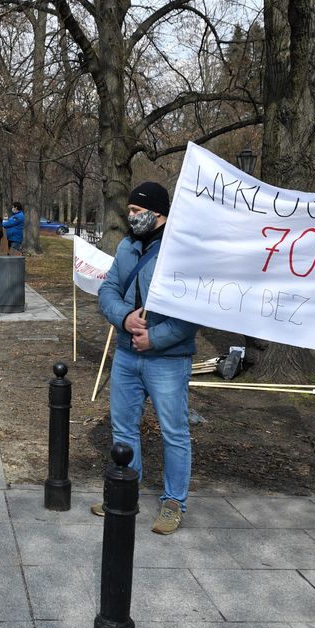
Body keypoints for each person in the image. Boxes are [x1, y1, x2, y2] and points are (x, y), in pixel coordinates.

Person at [94, 182, 198, 535]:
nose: (132, 217)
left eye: (138, 212)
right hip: (125, 353)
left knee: (174, 432)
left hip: (168, 359)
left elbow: (192, 308)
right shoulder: (127, 246)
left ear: (158, 213)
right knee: (123, 427)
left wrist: (156, 337)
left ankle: (174, 503)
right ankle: (125, 494)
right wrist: (124, 317)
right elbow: (107, 289)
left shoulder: (182, 252)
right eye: (132, 211)